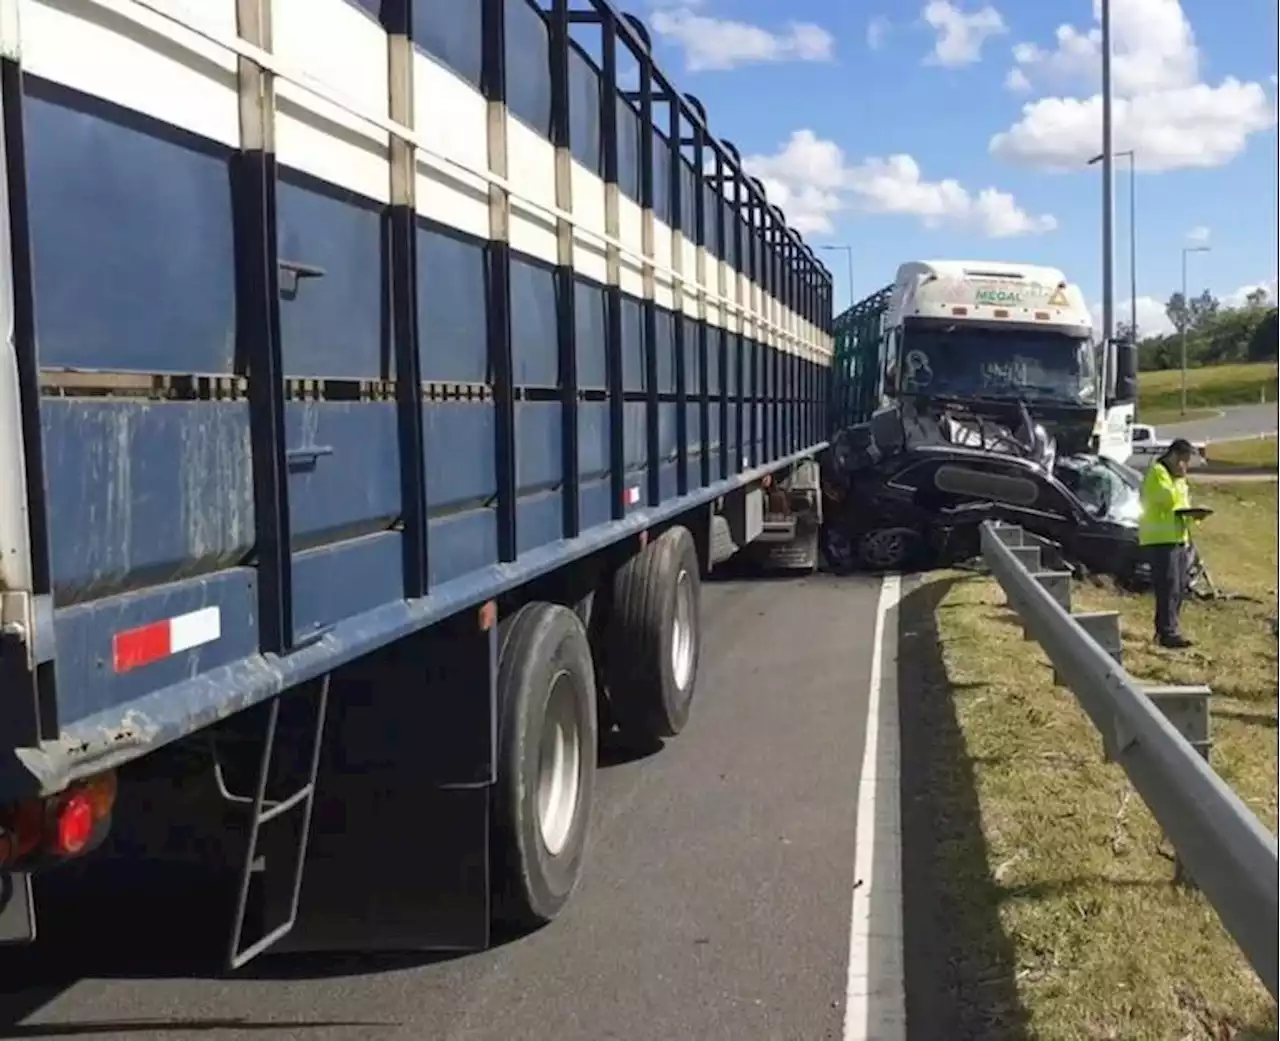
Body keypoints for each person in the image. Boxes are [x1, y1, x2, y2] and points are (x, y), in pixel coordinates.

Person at [1138, 438, 1197, 648]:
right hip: (1160, 539)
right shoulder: (1158, 472)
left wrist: (1194, 515)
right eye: (1183, 461)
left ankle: (1172, 628)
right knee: (1168, 585)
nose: (1185, 466)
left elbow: (1183, 504)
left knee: (1179, 585)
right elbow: (1166, 499)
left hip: (1177, 537)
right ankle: (1165, 632)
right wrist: (1178, 480)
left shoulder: (1177, 478)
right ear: (1174, 456)